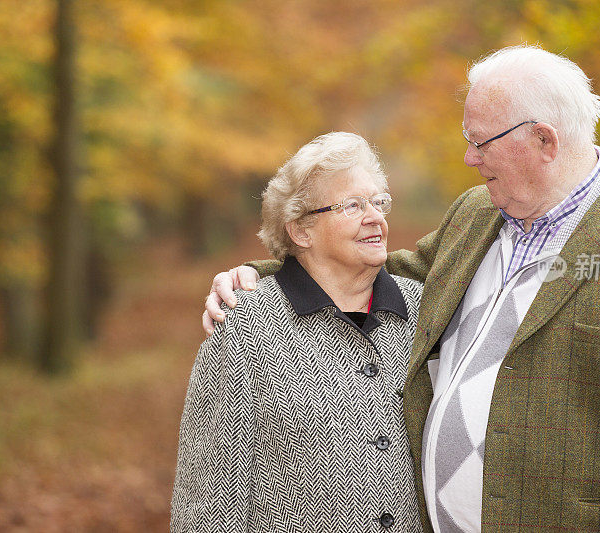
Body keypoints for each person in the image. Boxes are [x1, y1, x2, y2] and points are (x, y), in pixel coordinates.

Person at [202, 46, 600, 532]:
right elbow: (377, 270)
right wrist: (260, 274)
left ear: (544, 141)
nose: (470, 158)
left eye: (480, 141)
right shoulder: (476, 215)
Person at [171, 132, 425, 532]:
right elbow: (209, 501)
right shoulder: (245, 327)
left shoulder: (426, 312)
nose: (376, 216)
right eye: (353, 205)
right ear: (300, 230)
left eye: (379, 203)